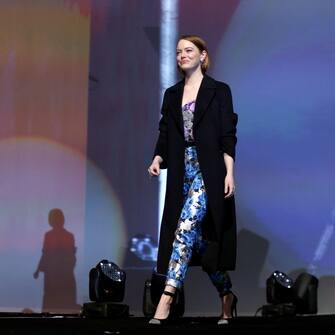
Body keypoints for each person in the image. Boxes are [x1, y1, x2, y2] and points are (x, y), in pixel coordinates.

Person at [147, 34, 238, 325]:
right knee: (201, 248)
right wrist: (158, 158)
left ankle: (167, 296)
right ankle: (227, 294)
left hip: (208, 170)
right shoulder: (172, 94)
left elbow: (227, 134)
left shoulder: (218, 91)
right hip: (180, 171)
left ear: (202, 55)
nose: (182, 55)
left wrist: (229, 173)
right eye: (178, 52)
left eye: (188, 50)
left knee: (184, 228)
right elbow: (165, 132)